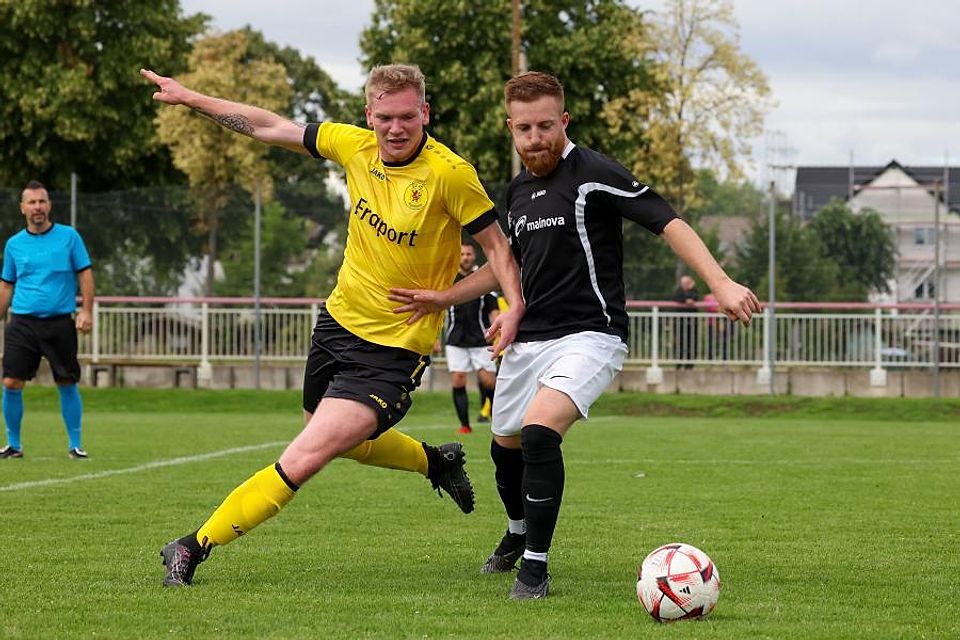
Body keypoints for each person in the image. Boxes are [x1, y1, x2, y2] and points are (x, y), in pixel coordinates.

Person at [140, 63, 524, 587]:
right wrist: (190, 98)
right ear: (369, 115)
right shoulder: (353, 145)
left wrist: (459, 298)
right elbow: (269, 125)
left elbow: (500, 253)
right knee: (326, 439)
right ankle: (435, 463)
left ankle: (191, 546)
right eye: (384, 117)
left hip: (393, 350)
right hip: (337, 324)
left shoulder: (450, 174)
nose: (395, 128)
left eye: (407, 116)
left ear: (424, 113)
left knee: (304, 458)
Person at [390, 71, 761, 600]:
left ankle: (535, 569)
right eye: (524, 129)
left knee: (541, 434)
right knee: (505, 449)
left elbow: (666, 220)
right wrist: (444, 297)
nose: (535, 138)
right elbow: (505, 266)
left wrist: (720, 283)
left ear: (563, 121)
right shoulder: (516, 192)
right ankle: (518, 533)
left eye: (545, 126)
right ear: (511, 129)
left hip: (591, 334)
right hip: (528, 339)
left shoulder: (593, 173)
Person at [0, 181, 95, 460]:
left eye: (42, 201)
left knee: (67, 381)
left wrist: (86, 311)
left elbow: (85, 274)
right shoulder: (14, 244)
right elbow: (6, 285)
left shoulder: (69, 237)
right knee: (11, 382)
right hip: (22, 323)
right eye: (31, 202)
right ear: (22, 208)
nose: (37, 207)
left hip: (59, 322)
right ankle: (13, 444)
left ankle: (75, 445)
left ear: (49, 205)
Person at [445, 241, 499, 434]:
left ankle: (498, 418)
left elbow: (494, 309)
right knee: (458, 379)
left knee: (489, 382)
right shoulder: (448, 279)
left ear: (474, 256)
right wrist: (435, 338)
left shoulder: (483, 279)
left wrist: (498, 331)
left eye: (468, 254)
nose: (465, 257)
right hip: (455, 340)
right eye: (462, 254)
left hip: (480, 340)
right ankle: (465, 425)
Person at [672, 274, 699, 368]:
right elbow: (676, 297)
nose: (685, 285)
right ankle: (678, 364)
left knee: (691, 342)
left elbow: (696, 297)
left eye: (687, 283)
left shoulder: (694, 290)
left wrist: (691, 289)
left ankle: (689, 364)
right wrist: (685, 300)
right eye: (683, 283)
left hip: (691, 323)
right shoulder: (678, 291)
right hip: (680, 323)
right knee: (679, 343)